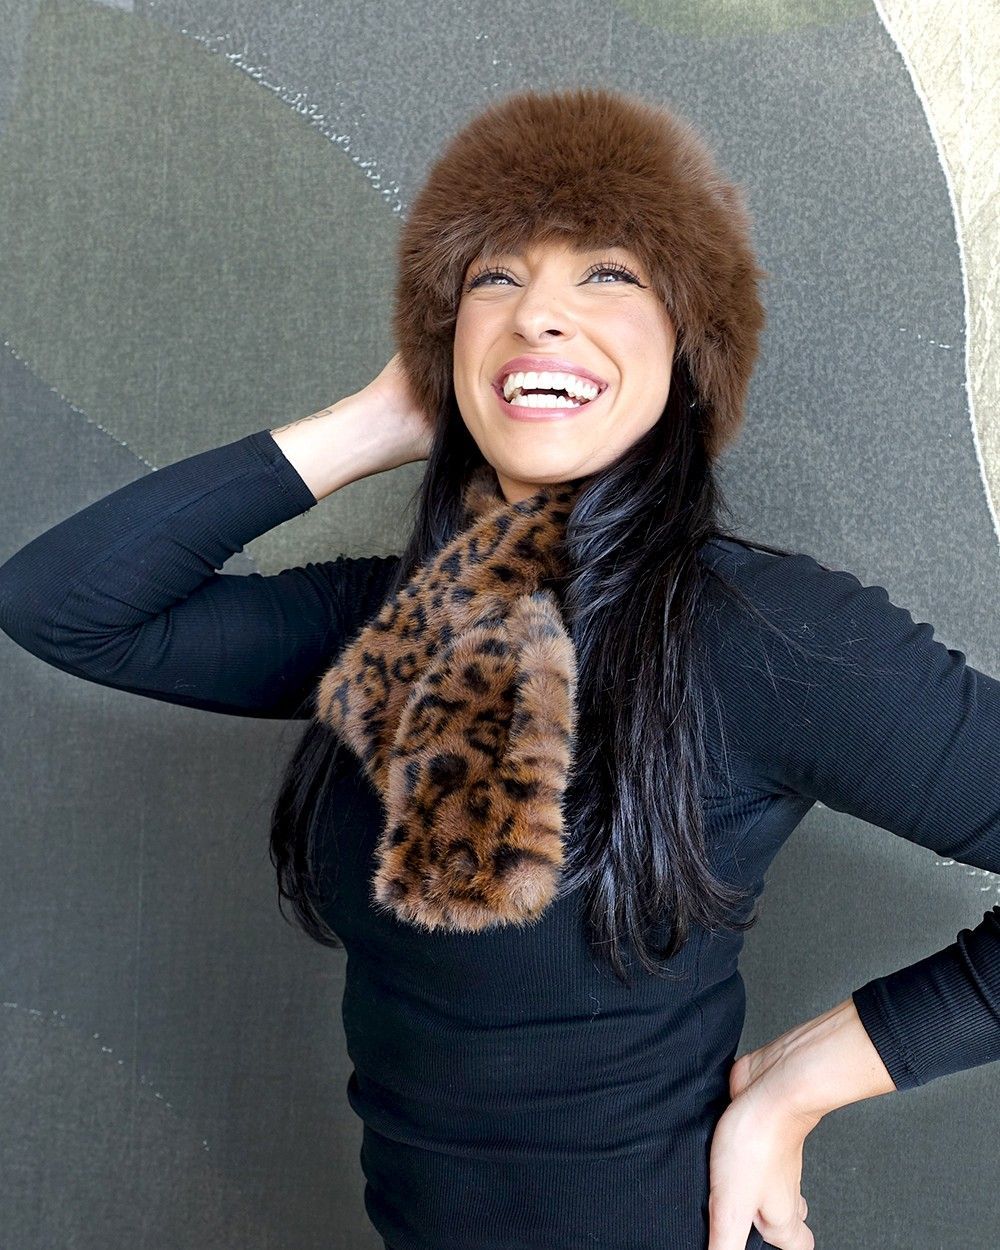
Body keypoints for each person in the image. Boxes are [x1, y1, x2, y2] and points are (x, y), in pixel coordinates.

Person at [0, 86, 997, 1250]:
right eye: (495, 279)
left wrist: (804, 1076)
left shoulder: (766, 630)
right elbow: (62, 605)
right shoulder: (381, 618)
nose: (540, 316)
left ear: (688, 350)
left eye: (608, 274)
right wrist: (379, 418)